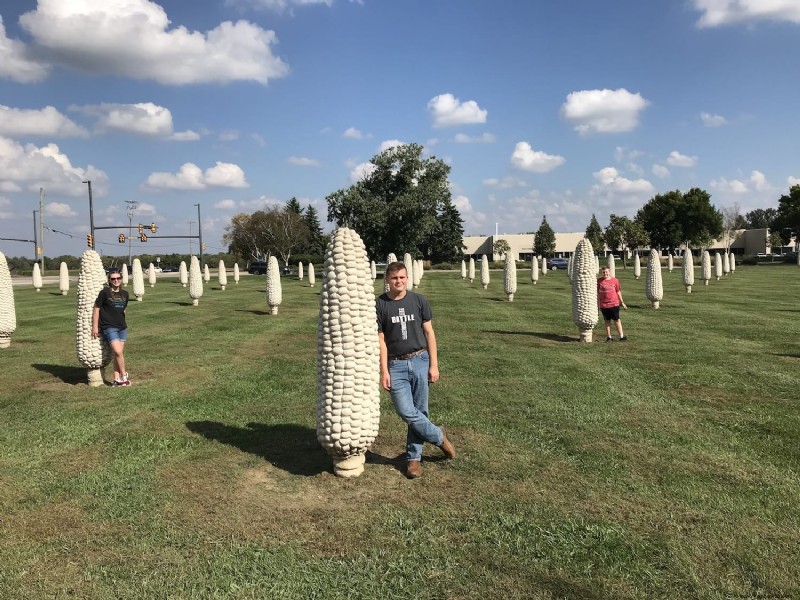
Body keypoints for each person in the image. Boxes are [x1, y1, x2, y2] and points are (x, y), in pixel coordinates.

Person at [376, 261, 455, 479]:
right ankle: (438, 435)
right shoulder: (379, 305)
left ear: (407, 278)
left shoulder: (418, 301)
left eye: (402, 277)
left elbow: (429, 333)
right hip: (396, 364)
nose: (398, 281)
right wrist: (384, 371)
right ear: (387, 280)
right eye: (394, 278)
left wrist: (434, 364)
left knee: (420, 411)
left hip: (420, 359)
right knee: (405, 411)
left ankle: (413, 460)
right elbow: (380, 341)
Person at [92, 269, 131, 386]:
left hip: (122, 327)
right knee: (118, 351)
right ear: (109, 280)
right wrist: (95, 326)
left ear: (121, 279)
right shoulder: (104, 293)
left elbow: (123, 310)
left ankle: (116, 378)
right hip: (109, 327)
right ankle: (124, 375)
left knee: (117, 354)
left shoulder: (125, 294)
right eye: (113, 279)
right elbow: (96, 309)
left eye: (118, 278)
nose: (116, 281)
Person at [597, 266, 627, 342]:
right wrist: (598, 306)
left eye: (606, 272)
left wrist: (622, 302)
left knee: (617, 320)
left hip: (614, 304)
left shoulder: (615, 281)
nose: (605, 273)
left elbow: (618, 292)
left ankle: (621, 336)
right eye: (603, 272)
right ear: (601, 273)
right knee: (607, 321)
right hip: (604, 305)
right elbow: (597, 294)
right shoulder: (599, 281)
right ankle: (609, 337)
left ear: (609, 272)